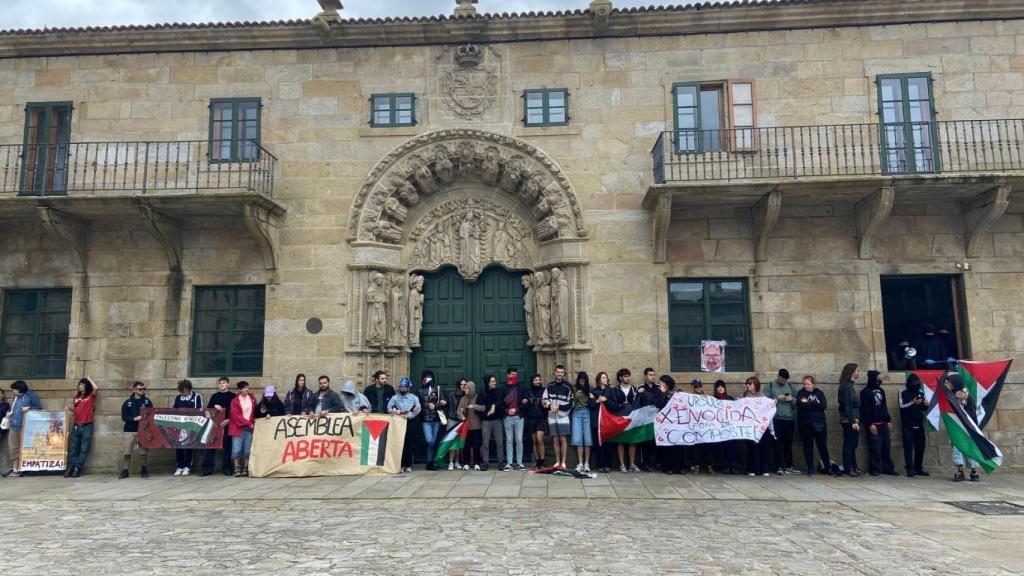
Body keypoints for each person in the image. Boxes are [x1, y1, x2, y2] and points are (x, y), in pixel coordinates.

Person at [796, 375, 837, 477]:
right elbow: (800, 404)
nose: (806, 386)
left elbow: (823, 405)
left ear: (813, 384)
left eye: (808, 384)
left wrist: (808, 403)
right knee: (808, 447)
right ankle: (810, 468)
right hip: (805, 424)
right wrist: (814, 403)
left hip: (819, 424)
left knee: (822, 446)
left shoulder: (819, 393)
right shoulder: (801, 393)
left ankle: (827, 467)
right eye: (805, 384)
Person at [860, 370, 898, 476]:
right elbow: (865, 409)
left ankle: (888, 468)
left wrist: (888, 419)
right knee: (874, 448)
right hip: (873, 424)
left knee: (886, 447)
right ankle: (874, 468)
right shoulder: (866, 392)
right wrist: (870, 423)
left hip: (883, 423)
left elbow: (884, 406)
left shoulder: (881, 391)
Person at [763, 368, 797, 475]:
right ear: (778, 377)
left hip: (789, 419)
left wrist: (791, 399)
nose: (783, 382)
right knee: (777, 443)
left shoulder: (791, 387)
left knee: (788, 443)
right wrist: (777, 398)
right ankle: (778, 466)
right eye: (782, 379)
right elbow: (765, 401)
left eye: (785, 380)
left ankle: (789, 466)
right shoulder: (770, 386)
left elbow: (797, 401)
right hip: (776, 419)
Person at [605, 368, 638, 472]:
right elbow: (613, 404)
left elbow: (637, 402)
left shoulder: (633, 388)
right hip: (620, 418)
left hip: (631, 418)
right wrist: (621, 405)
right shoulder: (615, 390)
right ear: (620, 377)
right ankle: (622, 464)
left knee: (632, 441)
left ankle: (632, 464)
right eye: (625, 376)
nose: (628, 378)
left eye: (628, 376)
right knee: (621, 441)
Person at [117, 381, 152, 480]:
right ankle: (125, 470)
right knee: (127, 452)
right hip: (130, 430)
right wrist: (134, 418)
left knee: (143, 452)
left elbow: (151, 414)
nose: (142, 391)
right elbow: (124, 417)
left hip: (143, 430)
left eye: (143, 389)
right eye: (140, 389)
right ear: (134, 390)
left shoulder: (147, 401)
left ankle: (144, 469)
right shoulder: (127, 402)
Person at [948, 374, 980, 482]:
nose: (949, 384)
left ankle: (973, 470)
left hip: (968, 427)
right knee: (957, 447)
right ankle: (960, 470)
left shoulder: (967, 397)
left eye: (950, 382)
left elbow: (972, 414)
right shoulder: (951, 396)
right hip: (957, 427)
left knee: (970, 448)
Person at [202, 376, 235, 477]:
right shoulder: (214, 396)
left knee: (227, 447)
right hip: (215, 425)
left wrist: (228, 420)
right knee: (210, 446)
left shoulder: (233, 396)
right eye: (220, 383)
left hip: (227, 424)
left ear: (228, 384)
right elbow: (208, 411)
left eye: (223, 383)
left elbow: (236, 411)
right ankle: (207, 469)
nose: (221, 385)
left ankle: (227, 468)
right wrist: (214, 407)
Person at [66, 376, 98, 478]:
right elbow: (77, 410)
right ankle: (71, 467)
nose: (81, 387)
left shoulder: (90, 396)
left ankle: (77, 468)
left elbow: (96, 388)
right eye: (80, 385)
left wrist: (89, 379)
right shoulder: (76, 397)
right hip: (76, 424)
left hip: (87, 424)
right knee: (73, 448)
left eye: (83, 385)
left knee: (84, 448)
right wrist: (69, 409)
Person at [387, 377, 421, 473]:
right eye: (401, 387)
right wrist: (399, 412)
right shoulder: (394, 398)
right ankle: (401, 465)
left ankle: (408, 465)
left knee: (409, 443)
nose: (402, 389)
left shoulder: (414, 397)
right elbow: (389, 409)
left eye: (404, 387)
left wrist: (409, 415)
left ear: (408, 388)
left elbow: (418, 408)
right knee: (400, 443)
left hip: (410, 421)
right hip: (398, 422)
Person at [899, 373, 929, 478]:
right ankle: (910, 468)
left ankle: (918, 467)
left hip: (919, 422)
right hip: (907, 423)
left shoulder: (920, 392)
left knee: (921, 445)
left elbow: (924, 408)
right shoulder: (903, 392)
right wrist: (912, 402)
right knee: (908, 446)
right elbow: (902, 406)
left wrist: (925, 404)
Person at [542, 365, 573, 470]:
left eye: (561, 372)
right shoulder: (549, 385)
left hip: (563, 416)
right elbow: (544, 398)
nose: (559, 374)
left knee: (563, 438)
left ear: (564, 374)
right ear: (554, 373)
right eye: (558, 372)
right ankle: (557, 461)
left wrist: (559, 407)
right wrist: (550, 406)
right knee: (555, 438)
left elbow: (571, 403)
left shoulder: (568, 386)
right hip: (552, 416)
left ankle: (563, 462)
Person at [656, 375, 686, 475]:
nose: (660, 384)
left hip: (678, 424)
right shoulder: (659, 393)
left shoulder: (678, 393)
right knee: (669, 447)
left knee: (679, 446)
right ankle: (669, 467)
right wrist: (662, 394)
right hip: (666, 424)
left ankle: (681, 467)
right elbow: (659, 405)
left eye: (662, 382)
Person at [837, 363, 863, 477]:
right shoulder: (846, 386)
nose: (858, 372)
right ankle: (849, 468)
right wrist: (853, 421)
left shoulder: (849, 386)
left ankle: (854, 466)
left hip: (853, 418)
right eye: (857, 370)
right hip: (849, 420)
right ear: (851, 372)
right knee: (849, 444)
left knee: (853, 444)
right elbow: (847, 405)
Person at [173, 379, 203, 477]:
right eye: (182, 391)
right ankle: (179, 466)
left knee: (189, 445)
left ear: (190, 389)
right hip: (180, 425)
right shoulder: (178, 398)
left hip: (191, 425)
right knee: (179, 446)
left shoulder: (197, 397)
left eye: (186, 391)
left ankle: (187, 466)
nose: (184, 393)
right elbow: (174, 410)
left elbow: (200, 410)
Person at [743, 377, 771, 477]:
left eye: (750, 383)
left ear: (755, 384)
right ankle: (751, 469)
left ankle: (764, 469)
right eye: (747, 383)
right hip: (751, 426)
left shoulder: (762, 396)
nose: (748, 385)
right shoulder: (746, 395)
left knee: (763, 447)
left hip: (762, 426)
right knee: (752, 447)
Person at [417, 371, 444, 470]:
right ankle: (431, 460)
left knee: (434, 441)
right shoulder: (419, 390)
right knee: (430, 441)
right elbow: (417, 404)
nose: (428, 379)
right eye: (426, 377)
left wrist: (435, 406)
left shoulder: (437, 389)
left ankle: (430, 462)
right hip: (425, 420)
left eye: (430, 377)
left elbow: (443, 402)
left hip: (436, 419)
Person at [477, 374, 504, 471]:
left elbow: (501, 402)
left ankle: (501, 462)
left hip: (497, 420)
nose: (494, 383)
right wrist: (484, 415)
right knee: (485, 443)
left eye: (495, 381)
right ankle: (485, 463)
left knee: (499, 442)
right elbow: (478, 407)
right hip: (486, 421)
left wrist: (494, 406)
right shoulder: (482, 393)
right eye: (492, 381)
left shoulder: (498, 392)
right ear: (488, 383)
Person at [229, 381, 256, 477]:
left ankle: (245, 466)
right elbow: (236, 416)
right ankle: (236, 466)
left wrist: (252, 422)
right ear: (240, 390)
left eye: (247, 387)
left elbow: (254, 412)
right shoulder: (235, 401)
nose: (246, 389)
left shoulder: (252, 398)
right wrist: (248, 423)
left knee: (247, 449)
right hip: (238, 428)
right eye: (244, 388)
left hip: (249, 428)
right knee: (236, 448)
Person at [712, 381, 740, 474]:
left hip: (729, 427)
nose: (720, 388)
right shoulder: (712, 399)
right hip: (718, 427)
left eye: (722, 386)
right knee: (721, 446)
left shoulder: (730, 398)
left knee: (731, 446)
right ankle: (724, 466)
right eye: (718, 386)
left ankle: (733, 465)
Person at [634, 367, 659, 471]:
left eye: (653, 375)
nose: (652, 377)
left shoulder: (657, 387)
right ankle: (645, 463)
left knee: (655, 442)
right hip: (644, 420)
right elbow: (635, 402)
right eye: (650, 375)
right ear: (645, 376)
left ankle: (654, 463)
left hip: (656, 419)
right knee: (645, 443)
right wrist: (639, 393)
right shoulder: (641, 387)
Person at [501, 368, 526, 471]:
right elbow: (500, 402)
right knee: (509, 440)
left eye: (515, 374)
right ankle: (509, 463)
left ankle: (519, 463)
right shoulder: (503, 388)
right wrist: (507, 411)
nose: (514, 376)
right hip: (507, 417)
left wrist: (517, 408)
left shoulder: (521, 387)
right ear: (508, 375)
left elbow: (525, 401)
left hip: (519, 416)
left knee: (519, 440)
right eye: (512, 374)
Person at [687, 379, 714, 475]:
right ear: (692, 387)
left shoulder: (706, 398)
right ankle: (696, 465)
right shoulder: (689, 398)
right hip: (695, 427)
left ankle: (709, 466)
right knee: (696, 447)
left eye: (699, 386)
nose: (698, 388)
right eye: (696, 386)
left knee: (708, 447)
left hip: (705, 427)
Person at [570, 371, 594, 473]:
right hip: (576, 412)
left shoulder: (590, 388)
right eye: (580, 380)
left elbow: (594, 402)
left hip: (587, 412)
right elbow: (570, 403)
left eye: (584, 381)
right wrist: (576, 396)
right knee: (578, 439)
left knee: (587, 439)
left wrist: (592, 397)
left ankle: (587, 463)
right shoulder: (574, 388)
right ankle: (580, 463)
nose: (582, 383)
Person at [522, 373, 547, 467]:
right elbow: (525, 404)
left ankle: (543, 460)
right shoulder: (528, 391)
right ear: (532, 382)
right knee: (534, 441)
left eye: (539, 380)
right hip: (531, 418)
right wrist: (525, 402)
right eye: (536, 380)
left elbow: (547, 403)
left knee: (539, 439)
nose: (538, 381)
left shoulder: (544, 390)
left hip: (541, 418)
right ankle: (538, 461)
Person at [591, 371, 614, 473]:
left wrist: (606, 400)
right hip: (597, 422)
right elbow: (590, 406)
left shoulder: (611, 391)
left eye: (606, 377)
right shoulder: (594, 391)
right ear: (599, 379)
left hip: (608, 422)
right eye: (603, 377)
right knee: (598, 445)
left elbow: (614, 405)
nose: (605, 379)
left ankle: (608, 465)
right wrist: (597, 401)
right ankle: (600, 465)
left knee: (608, 445)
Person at [457, 380, 483, 470]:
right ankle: (466, 463)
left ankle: (477, 463)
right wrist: (461, 415)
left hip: (476, 426)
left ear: (471, 389)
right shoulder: (463, 399)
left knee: (476, 445)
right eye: (464, 388)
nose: (465, 389)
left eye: (467, 388)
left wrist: (474, 406)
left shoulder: (478, 397)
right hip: (466, 427)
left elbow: (483, 408)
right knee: (466, 446)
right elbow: (459, 410)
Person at [445, 377, 466, 470]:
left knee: (458, 443)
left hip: (461, 421)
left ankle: (457, 462)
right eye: (462, 384)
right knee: (451, 441)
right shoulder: (451, 395)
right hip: (452, 420)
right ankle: (450, 462)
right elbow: (447, 406)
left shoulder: (466, 396)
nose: (463, 386)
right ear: (458, 385)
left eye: (465, 384)